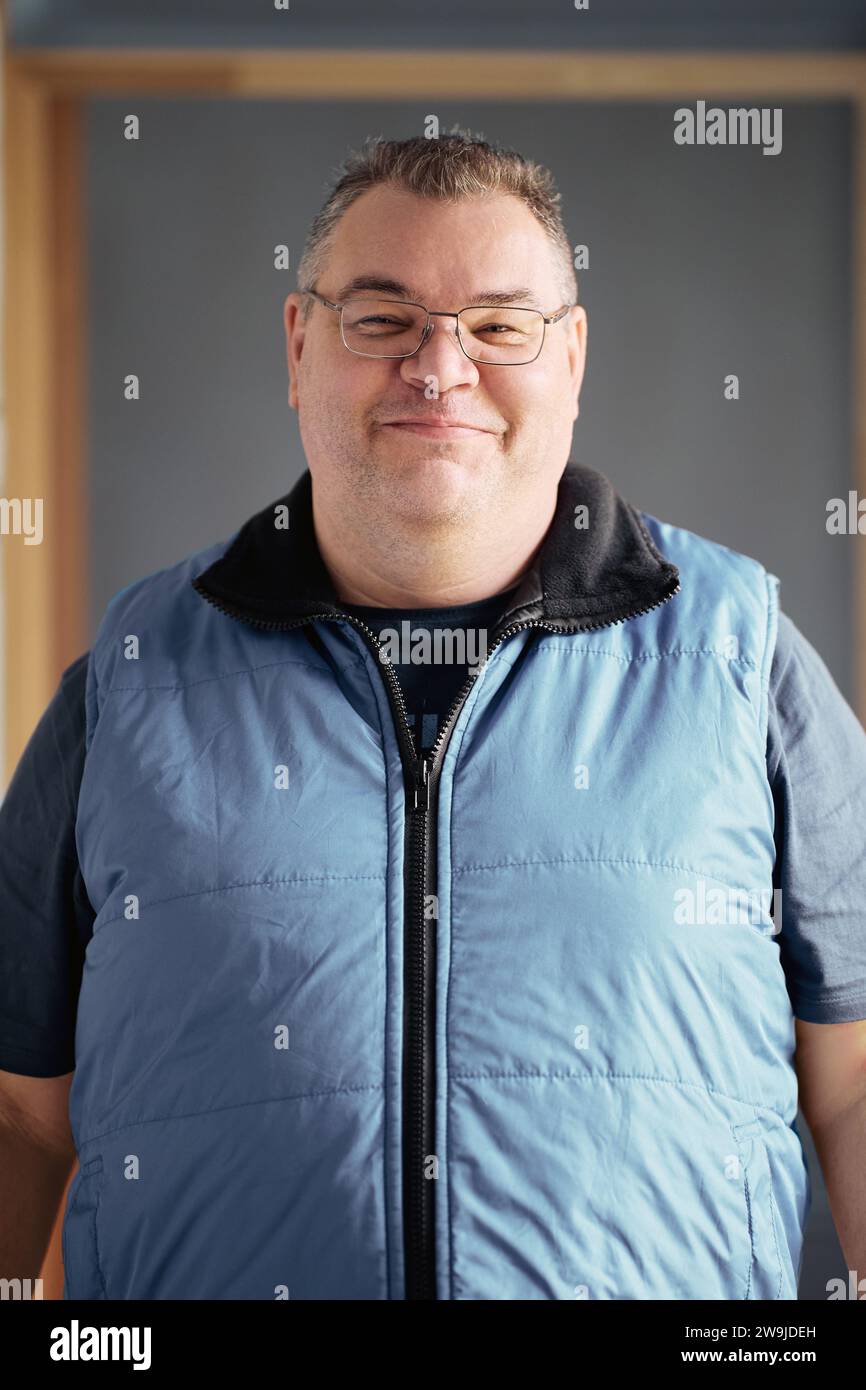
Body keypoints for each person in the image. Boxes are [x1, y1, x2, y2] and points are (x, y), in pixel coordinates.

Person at [2, 130, 866, 1301]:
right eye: (381, 316)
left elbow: (853, 1081)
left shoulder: (740, 656)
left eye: (499, 324)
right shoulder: (132, 675)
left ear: (569, 358)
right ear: (300, 343)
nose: (438, 366)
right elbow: (20, 1111)